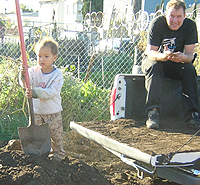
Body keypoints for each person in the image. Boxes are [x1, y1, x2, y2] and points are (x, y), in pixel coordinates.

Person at [141, 0, 199, 129]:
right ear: (165, 14)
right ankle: (153, 112)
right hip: (156, 59)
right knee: (154, 66)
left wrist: (182, 57)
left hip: (176, 62)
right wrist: (163, 56)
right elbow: (150, 53)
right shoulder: (157, 24)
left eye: (179, 17)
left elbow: (190, 56)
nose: (175, 20)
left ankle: (192, 115)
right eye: (171, 16)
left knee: (189, 69)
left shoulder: (190, 26)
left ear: (184, 16)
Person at [19, 37, 66, 162]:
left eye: (46, 56)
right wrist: (23, 75)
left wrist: (34, 92)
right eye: (39, 56)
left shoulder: (57, 75)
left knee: (56, 136)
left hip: (53, 113)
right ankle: (40, 154)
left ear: (54, 57)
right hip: (37, 113)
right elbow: (25, 83)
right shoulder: (33, 71)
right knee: (38, 136)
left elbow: (52, 92)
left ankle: (58, 153)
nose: (41, 59)